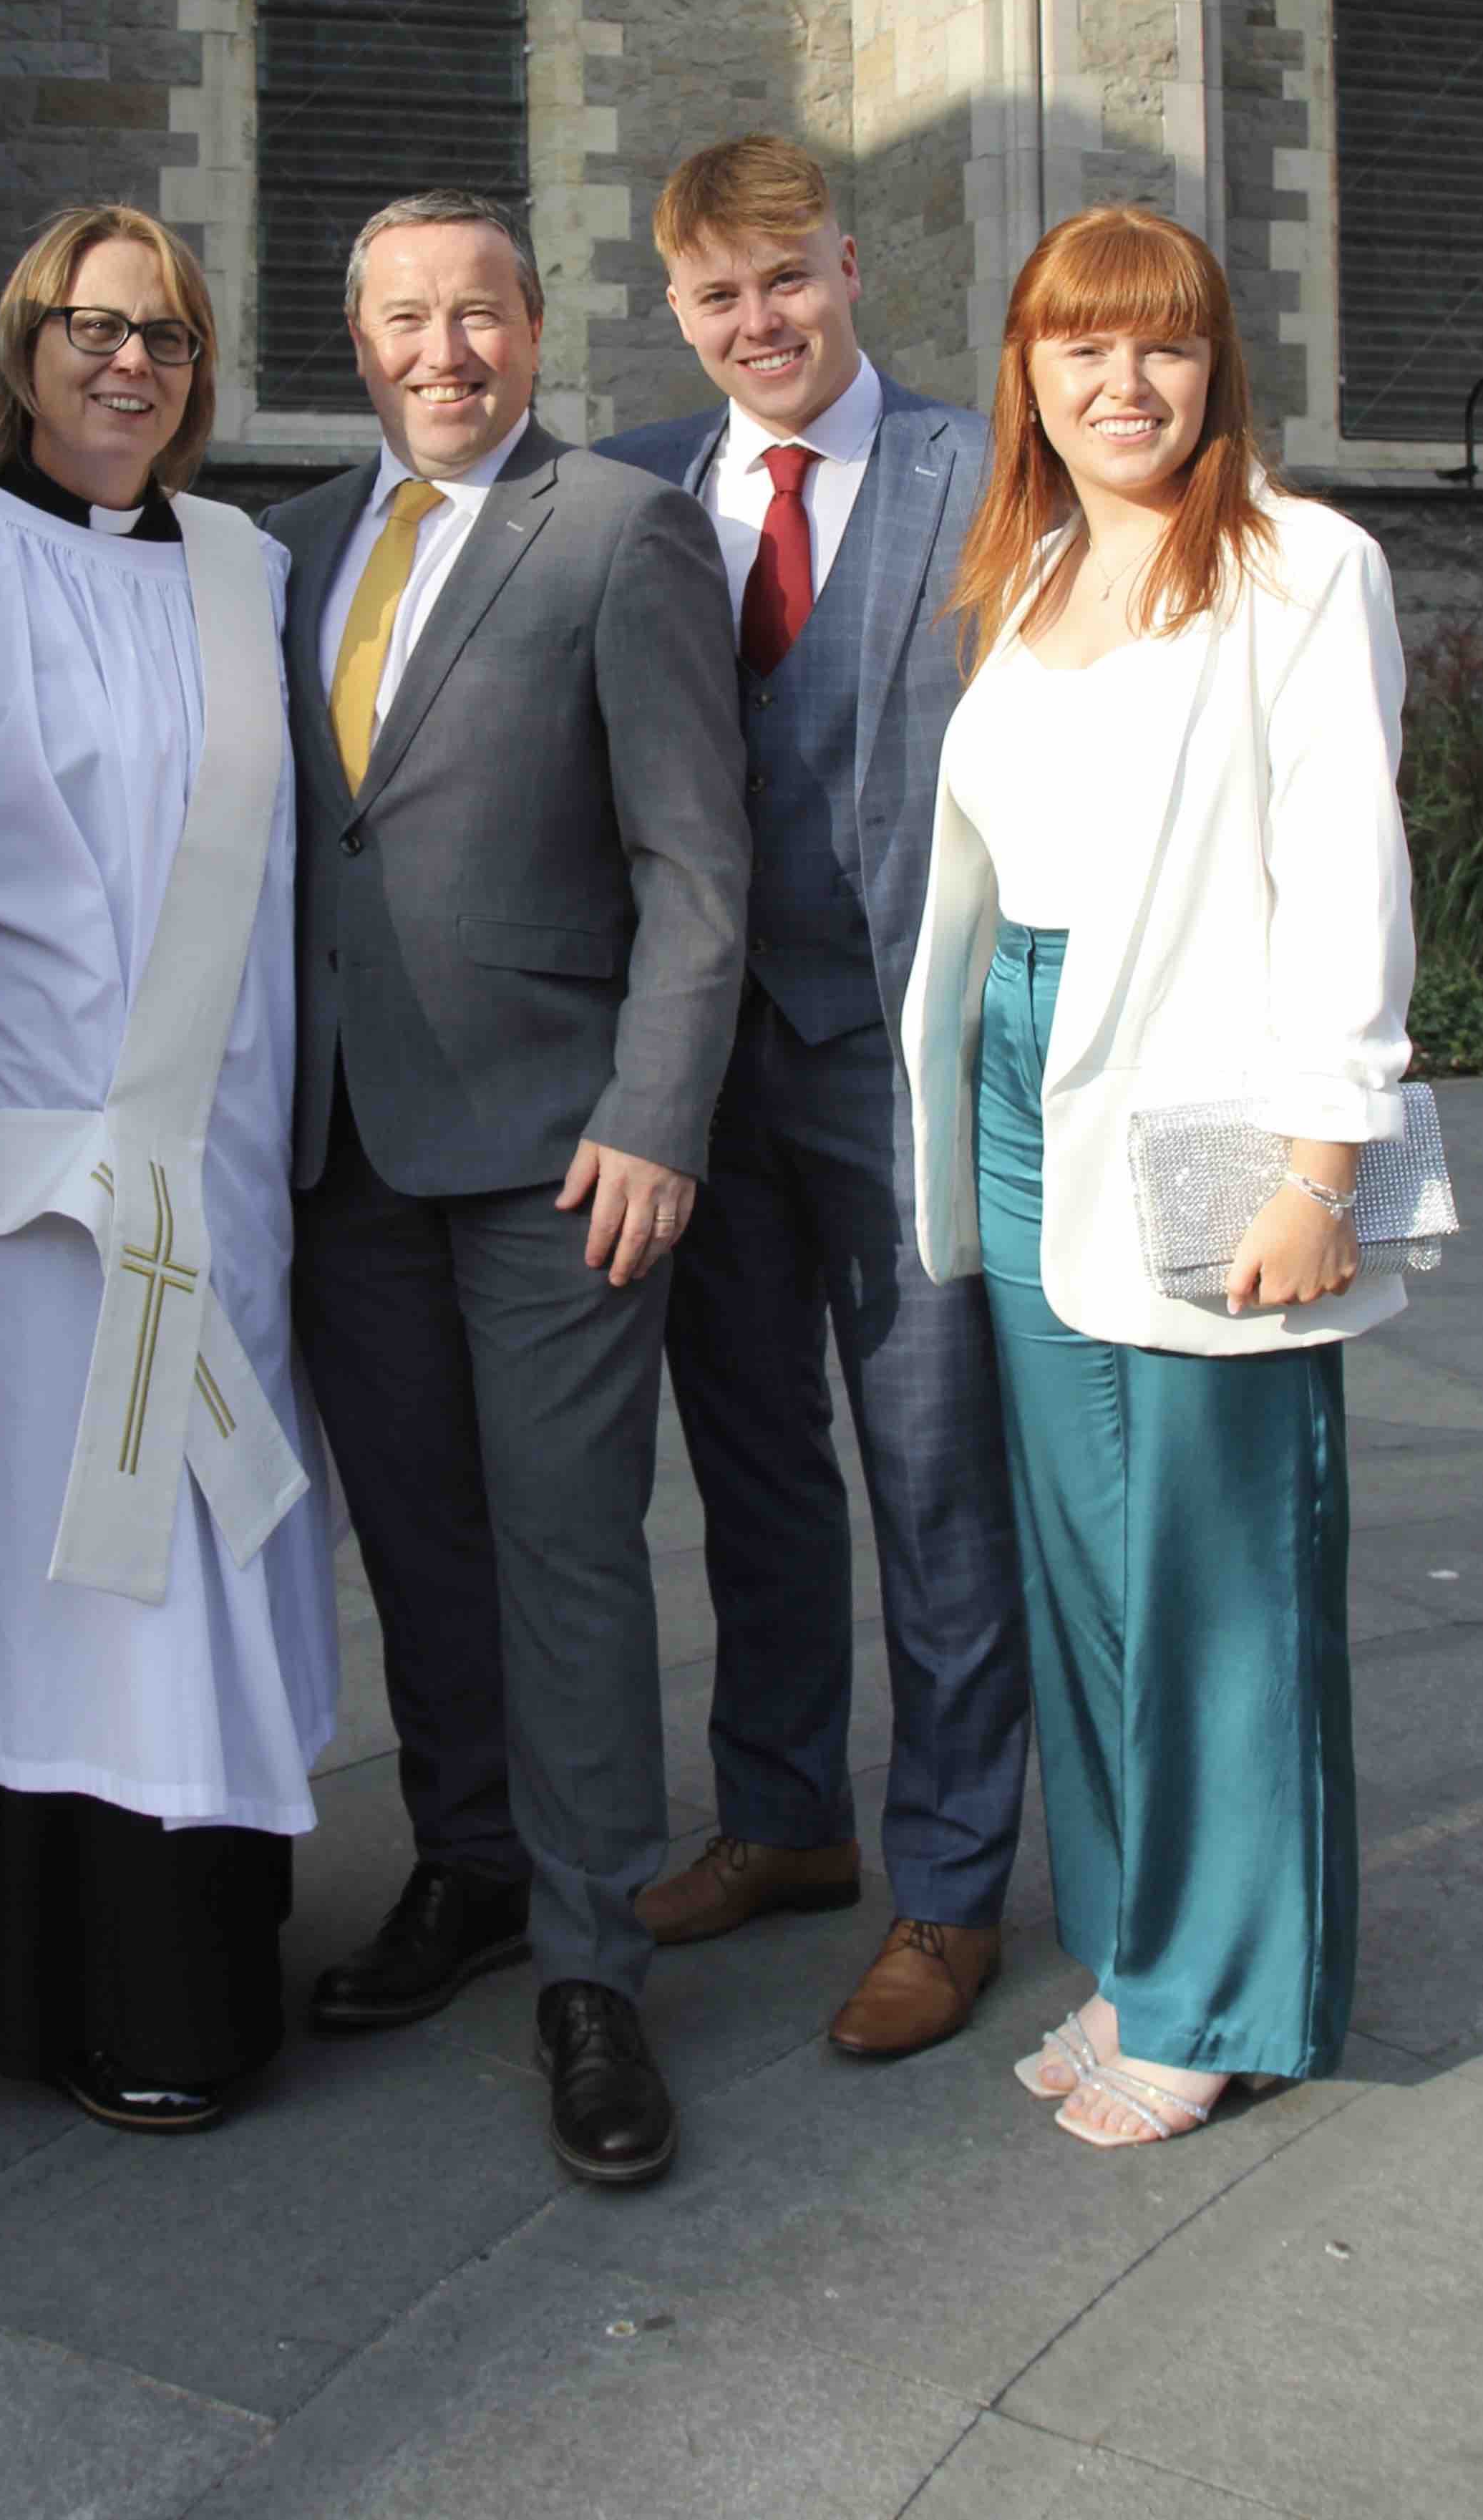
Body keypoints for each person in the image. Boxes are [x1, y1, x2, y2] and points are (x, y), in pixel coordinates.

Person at [0, 203, 338, 2134]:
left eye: (174, 340)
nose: (133, 364)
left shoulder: (238, 571)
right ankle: (7, 1963)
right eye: (95, 327)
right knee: (24, 1567)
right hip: (12, 1200)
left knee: (192, 1564)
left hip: (209, 1173)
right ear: (21, 344)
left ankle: (173, 1973)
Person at [904, 205, 1412, 2149]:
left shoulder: (1299, 563)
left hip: (1210, 1111)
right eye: (1078, 347)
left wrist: (1319, 1163)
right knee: (1089, 1559)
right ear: (1026, 368)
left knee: (1219, 1568)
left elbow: (1346, 886)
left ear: (1215, 364)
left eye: (1162, 345)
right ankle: (1133, 1943)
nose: (1123, 383)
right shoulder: (1030, 560)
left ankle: (1223, 1988)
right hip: (1029, 1081)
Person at [266, 189, 749, 2188]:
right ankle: (464, 1861)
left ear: (538, 333)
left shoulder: (619, 531)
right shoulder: (286, 547)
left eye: (479, 314)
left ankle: (587, 1960)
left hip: (566, 1151)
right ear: (353, 337)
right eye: (403, 317)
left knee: (563, 1552)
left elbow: (697, 862)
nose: (442, 350)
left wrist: (656, 1110)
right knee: (419, 1541)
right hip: (344, 1146)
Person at [601, 136, 1030, 2060]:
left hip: (896, 1054)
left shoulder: (980, 473)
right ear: (676, 311)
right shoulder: (633, 488)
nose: (756, 322)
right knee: (752, 1460)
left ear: (846, 267)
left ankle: (943, 1888)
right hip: (703, 1064)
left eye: (784, 279)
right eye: (716, 296)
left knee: (934, 1473)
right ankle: (780, 1816)